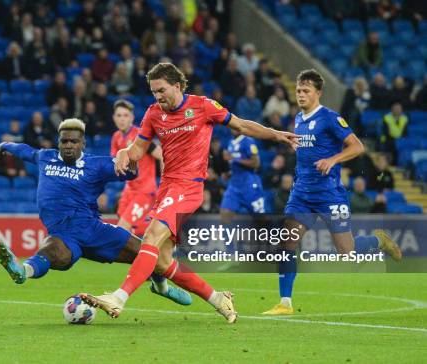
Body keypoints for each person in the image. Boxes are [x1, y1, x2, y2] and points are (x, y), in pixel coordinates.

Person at [80, 62, 300, 323]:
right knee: (161, 262)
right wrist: (125, 153)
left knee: (150, 237)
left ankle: (118, 297)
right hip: (167, 189)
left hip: (189, 187)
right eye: (153, 92)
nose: (157, 96)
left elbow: (240, 126)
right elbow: (138, 150)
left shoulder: (203, 106)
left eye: (161, 90)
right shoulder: (152, 114)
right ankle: (218, 298)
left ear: (176, 85)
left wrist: (275, 134)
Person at [0, 118, 191, 307]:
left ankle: (161, 288)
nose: (68, 145)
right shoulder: (46, 157)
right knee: (51, 252)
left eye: (74, 141)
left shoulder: (96, 165)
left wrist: (132, 163)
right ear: (59, 142)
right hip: (63, 234)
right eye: (64, 141)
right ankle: (22, 271)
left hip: (94, 231)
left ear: (83, 144)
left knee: (148, 254)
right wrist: (6, 145)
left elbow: (129, 172)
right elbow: (26, 151)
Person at [262, 69, 402, 315]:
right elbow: (307, 150)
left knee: (347, 252)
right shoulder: (299, 119)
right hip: (302, 194)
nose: (301, 95)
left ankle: (379, 240)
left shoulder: (330, 118)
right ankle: (285, 303)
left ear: (318, 93)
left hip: (330, 194)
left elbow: (357, 146)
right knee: (286, 243)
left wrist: (333, 159)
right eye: (298, 90)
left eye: (306, 91)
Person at [110, 100, 162, 237]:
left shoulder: (140, 136)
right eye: (119, 115)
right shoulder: (116, 137)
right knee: (126, 228)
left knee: (122, 228)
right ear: (114, 118)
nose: (122, 119)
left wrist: (165, 182)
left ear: (132, 117)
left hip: (144, 191)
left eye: (125, 115)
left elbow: (162, 155)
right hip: (129, 190)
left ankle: (164, 235)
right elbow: (115, 161)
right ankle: (158, 235)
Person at [220, 129, 265, 223]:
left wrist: (234, 158)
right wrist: (229, 174)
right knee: (225, 214)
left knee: (260, 220)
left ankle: (270, 236)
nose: (233, 128)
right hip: (234, 185)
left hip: (249, 185)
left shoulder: (248, 141)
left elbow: (256, 163)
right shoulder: (230, 142)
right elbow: (235, 165)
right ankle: (226, 237)